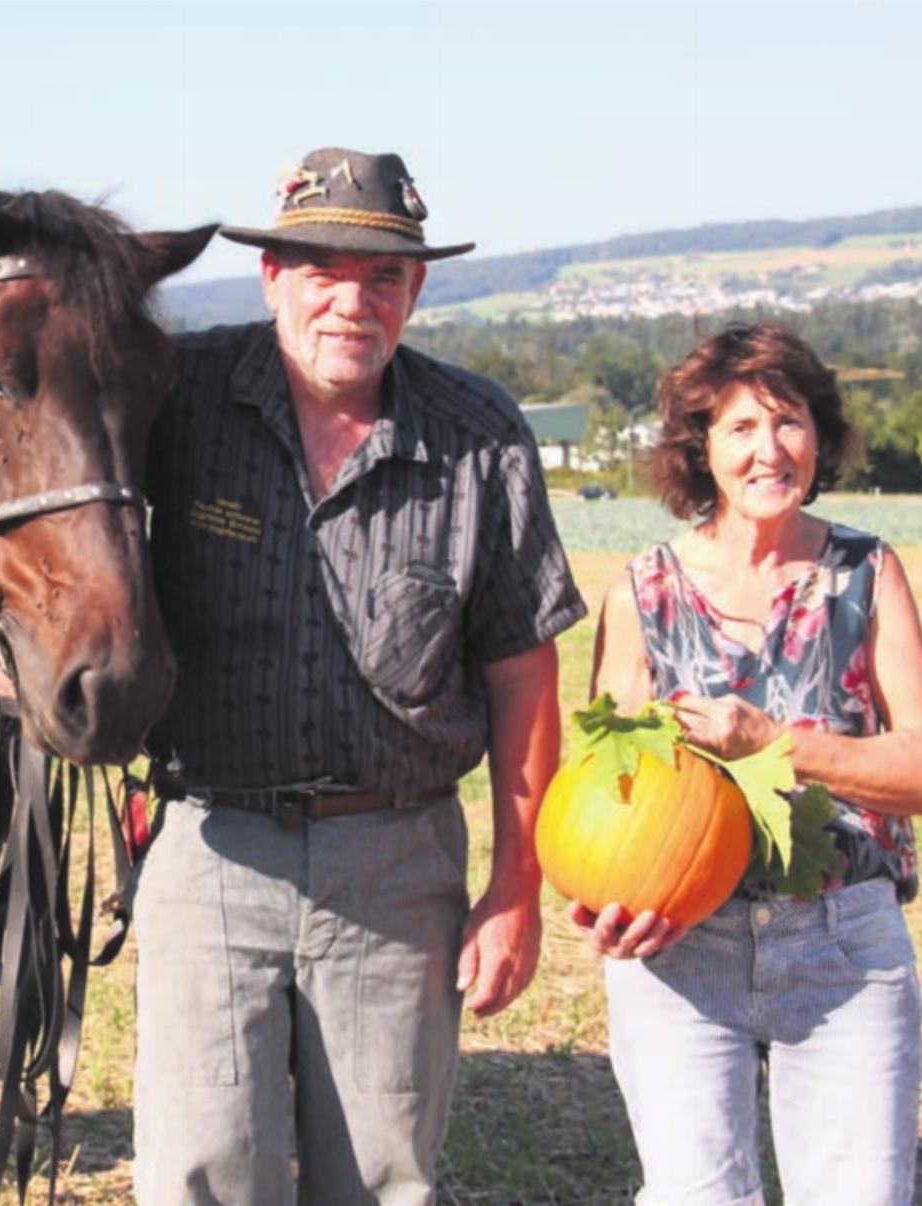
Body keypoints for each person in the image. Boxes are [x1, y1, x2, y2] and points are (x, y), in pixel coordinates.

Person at [134, 148, 586, 1203]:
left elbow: (526, 679)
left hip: (398, 857)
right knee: (199, 1174)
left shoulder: (480, 440)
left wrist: (515, 889)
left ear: (417, 289)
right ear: (272, 277)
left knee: (384, 1179)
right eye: (322, 271)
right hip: (212, 849)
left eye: (383, 277)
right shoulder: (177, 405)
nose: (352, 302)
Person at [577, 322, 922, 1204]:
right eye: (741, 429)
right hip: (682, 949)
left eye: (789, 422)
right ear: (700, 449)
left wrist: (777, 748)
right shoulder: (642, 594)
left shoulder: (865, 574)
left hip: (843, 945)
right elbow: (612, 792)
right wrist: (608, 897)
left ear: (819, 437)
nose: (769, 450)